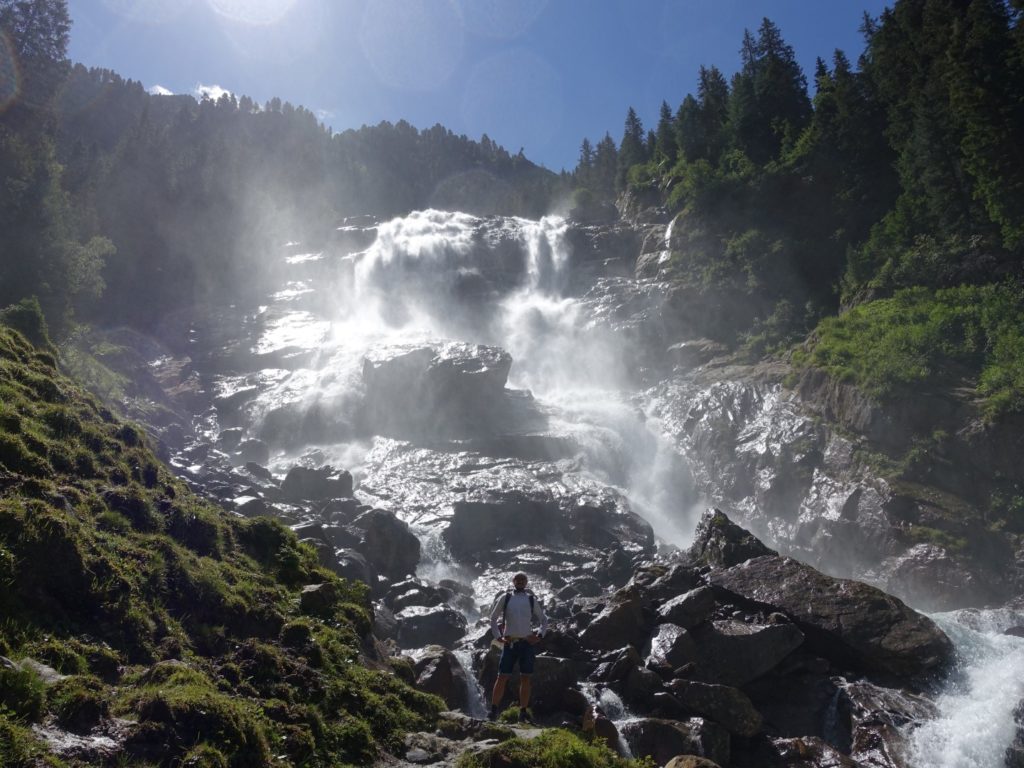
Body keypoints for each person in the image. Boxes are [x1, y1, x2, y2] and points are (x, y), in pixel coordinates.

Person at [487, 571, 547, 723]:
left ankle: (523, 712)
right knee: (502, 677)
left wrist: (539, 636)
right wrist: (497, 636)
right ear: (513, 581)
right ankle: (493, 711)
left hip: (527, 644)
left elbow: (543, 619)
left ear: (526, 582)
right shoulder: (505, 597)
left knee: (525, 678)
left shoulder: (531, 599)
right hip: (510, 643)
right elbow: (493, 618)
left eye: (523, 579)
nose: (520, 581)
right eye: (518, 579)